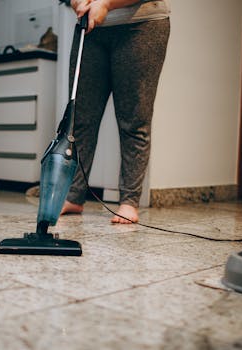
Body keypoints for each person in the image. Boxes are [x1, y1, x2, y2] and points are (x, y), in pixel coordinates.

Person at [60, 0, 171, 224]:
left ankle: (129, 202)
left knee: (134, 120)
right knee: (80, 119)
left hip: (141, 26)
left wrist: (108, 4)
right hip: (90, 28)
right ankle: (73, 196)